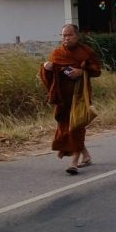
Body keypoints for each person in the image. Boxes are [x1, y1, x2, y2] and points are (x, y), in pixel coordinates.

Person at [39, 24, 102, 175]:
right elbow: (51, 76)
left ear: (77, 36)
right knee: (68, 127)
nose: (66, 38)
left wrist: (82, 71)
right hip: (63, 98)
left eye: (69, 35)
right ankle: (86, 156)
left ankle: (74, 163)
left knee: (76, 127)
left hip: (80, 96)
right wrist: (46, 68)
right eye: (63, 35)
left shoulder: (86, 52)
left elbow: (97, 70)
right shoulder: (57, 53)